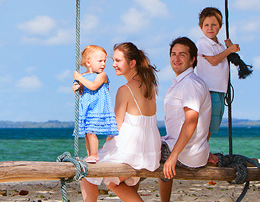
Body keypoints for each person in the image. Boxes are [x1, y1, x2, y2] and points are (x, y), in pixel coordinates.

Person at [79, 42, 162, 202]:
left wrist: (105, 148)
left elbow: (115, 126)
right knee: (113, 182)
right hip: (150, 149)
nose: (113, 64)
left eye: (118, 61)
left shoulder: (125, 90)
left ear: (132, 63)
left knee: (87, 172)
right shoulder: (150, 85)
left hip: (132, 149)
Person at [158, 37, 214, 202]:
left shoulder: (190, 84)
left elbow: (191, 121)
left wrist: (174, 155)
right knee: (150, 146)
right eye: (173, 54)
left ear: (192, 60)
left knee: (138, 154)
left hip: (185, 154)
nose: (176, 58)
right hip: (186, 149)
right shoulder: (180, 83)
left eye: (182, 55)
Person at [195, 7, 239, 144]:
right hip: (210, 89)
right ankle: (201, 150)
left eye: (214, 25)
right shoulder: (203, 43)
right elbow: (213, 60)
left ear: (220, 26)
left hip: (220, 90)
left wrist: (229, 49)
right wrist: (229, 50)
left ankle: (203, 149)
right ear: (201, 27)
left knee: (215, 122)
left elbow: (225, 57)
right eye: (206, 25)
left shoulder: (219, 45)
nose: (210, 28)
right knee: (208, 124)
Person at [72, 45, 118, 163]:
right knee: (87, 133)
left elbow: (93, 86)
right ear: (89, 62)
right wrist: (76, 87)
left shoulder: (101, 75)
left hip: (97, 108)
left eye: (104, 61)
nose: (103, 64)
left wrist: (79, 78)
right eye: (100, 61)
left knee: (92, 131)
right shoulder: (83, 76)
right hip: (87, 108)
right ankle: (90, 155)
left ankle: (94, 155)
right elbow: (82, 91)